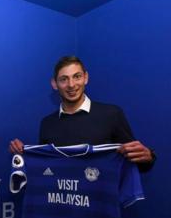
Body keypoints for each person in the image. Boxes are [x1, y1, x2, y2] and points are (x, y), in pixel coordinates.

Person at [9, 56, 155, 172]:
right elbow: (44, 168)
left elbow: (139, 163)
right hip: (61, 204)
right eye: (64, 79)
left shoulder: (111, 114)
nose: (71, 85)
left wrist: (148, 157)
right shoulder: (47, 123)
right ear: (54, 84)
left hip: (101, 205)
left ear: (86, 77)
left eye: (77, 76)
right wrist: (24, 155)